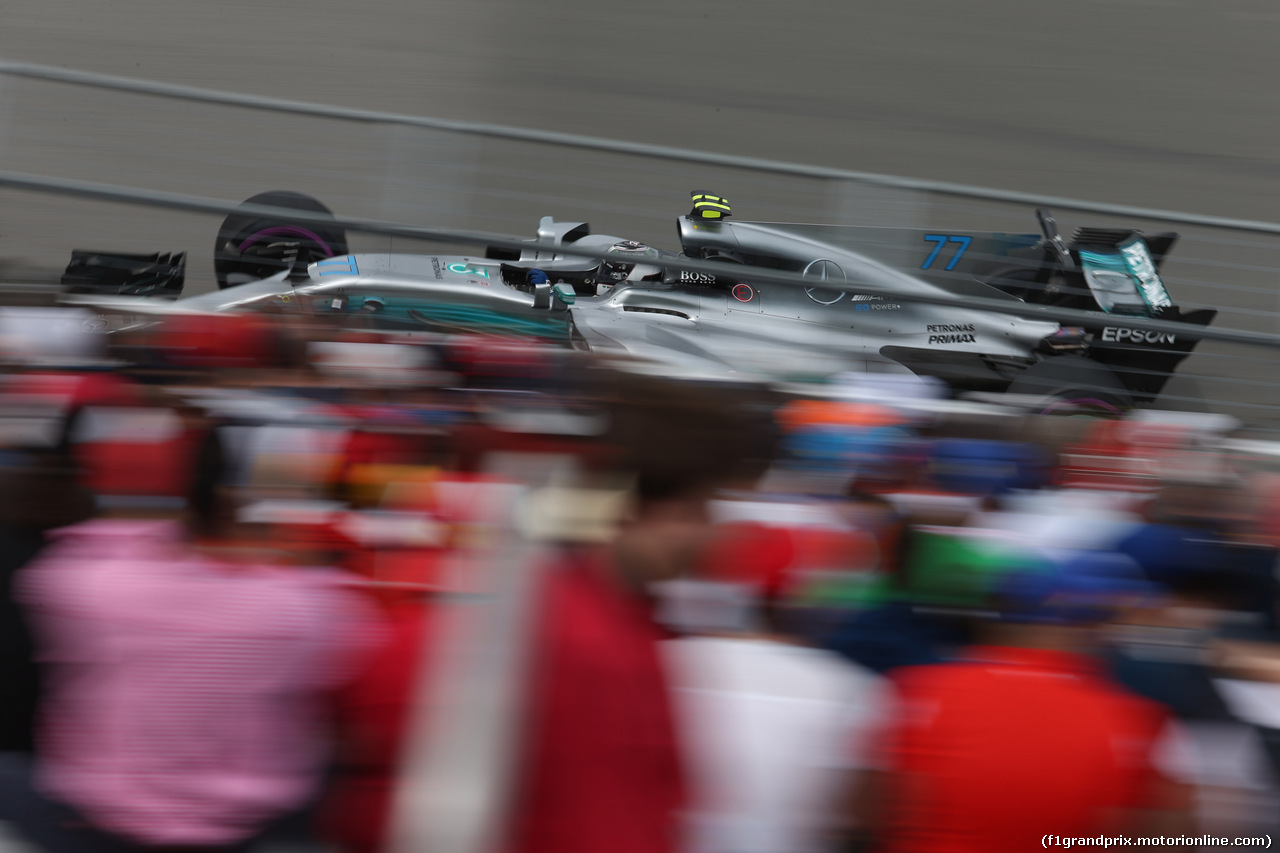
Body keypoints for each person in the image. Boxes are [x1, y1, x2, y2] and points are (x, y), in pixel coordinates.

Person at [2, 421, 384, 852]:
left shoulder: (81, 585)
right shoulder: (311, 607)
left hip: (95, 816)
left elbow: (89, 545)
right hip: (252, 823)